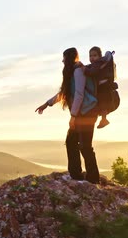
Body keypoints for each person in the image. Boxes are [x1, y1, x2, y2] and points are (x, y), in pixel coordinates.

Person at [35, 47, 100, 184]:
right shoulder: (72, 72)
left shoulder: (78, 71)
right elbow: (64, 93)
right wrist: (47, 104)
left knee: (85, 145)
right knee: (72, 142)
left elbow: (79, 95)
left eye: (64, 57)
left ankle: (93, 179)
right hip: (81, 113)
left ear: (69, 58)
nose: (63, 60)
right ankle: (76, 175)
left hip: (87, 113)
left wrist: (74, 116)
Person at [81, 47, 116, 129]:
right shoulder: (98, 63)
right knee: (102, 105)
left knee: (102, 104)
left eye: (95, 55)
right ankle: (103, 119)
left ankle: (104, 120)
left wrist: (84, 69)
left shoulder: (98, 63)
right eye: (90, 56)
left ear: (100, 56)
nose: (92, 58)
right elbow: (91, 67)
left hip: (103, 89)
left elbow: (92, 72)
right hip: (104, 88)